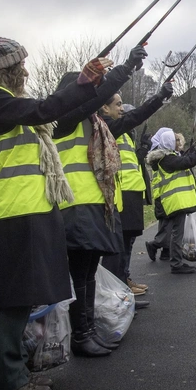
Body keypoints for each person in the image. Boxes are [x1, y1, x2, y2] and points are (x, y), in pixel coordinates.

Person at [0, 31, 112, 390]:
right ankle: (8, 381)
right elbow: (43, 111)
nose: (25, 71)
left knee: (21, 295)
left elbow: (55, 114)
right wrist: (80, 83)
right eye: (20, 65)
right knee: (10, 300)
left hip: (30, 209)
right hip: (14, 212)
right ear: (5, 69)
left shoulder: (4, 101)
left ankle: (15, 371)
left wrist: (91, 85)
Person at [52, 45, 148, 358]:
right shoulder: (65, 119)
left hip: (95, 205)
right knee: (81, 274)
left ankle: (87, 330)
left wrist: (159, 95)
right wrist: (126, 68)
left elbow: (131, 117)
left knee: (88, 273)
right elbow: (94, 97)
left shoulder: (94, 124)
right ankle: (81, 335)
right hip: (76, 205)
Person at [98, 83, 173, 298]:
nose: (122, 109)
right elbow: (133, 118)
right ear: (105, 108)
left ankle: (123, 281)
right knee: (119, 244)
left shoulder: (124, 133)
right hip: (120, 193)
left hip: (132, 191)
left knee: (128, 241)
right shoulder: (108, 126)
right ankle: (117, 289)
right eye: (118, 104)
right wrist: (158, 98)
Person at [146, 127, 196, 274]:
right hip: (175, 202)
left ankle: (175, 260)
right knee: (177, 233)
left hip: (173, 202)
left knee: (175, 232)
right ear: (169, 142)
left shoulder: (166, 158)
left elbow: (184, 158)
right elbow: (189, 161)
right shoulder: (168, 160)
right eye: (175, 140)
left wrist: (195, 148)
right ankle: (176, 263)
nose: (178, 141)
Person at [147, 132, 187, 261]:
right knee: (166, 229)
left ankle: (166, 252)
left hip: (168, 196)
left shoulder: (170, 157)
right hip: (164, 197)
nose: (179, 144)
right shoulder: (165, 159)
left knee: (169, 227)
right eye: (176, 141)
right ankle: (154, 245)